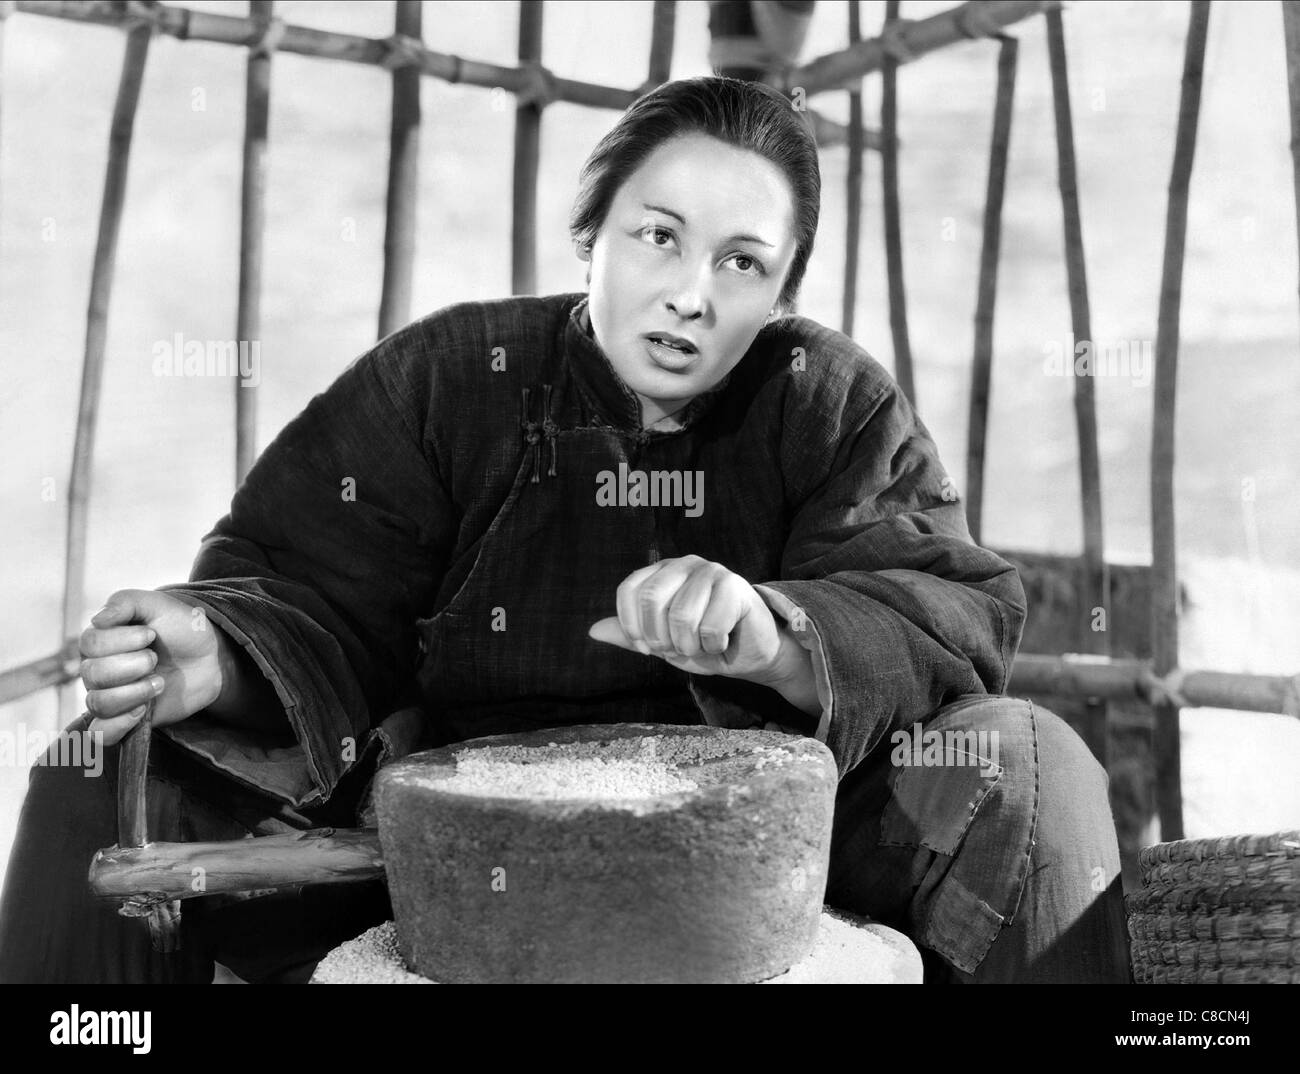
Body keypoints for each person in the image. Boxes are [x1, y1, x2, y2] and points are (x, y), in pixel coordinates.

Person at [0, 76, 1131, 984]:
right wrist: (225, 657)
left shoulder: (823, 398)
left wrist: (777, 635)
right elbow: (309, 591)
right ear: (592, 232)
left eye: (744, 263)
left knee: (1029, 758)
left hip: (779, 845)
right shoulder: (451, 374)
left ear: (779, 290)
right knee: (96, 769)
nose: (692, 292)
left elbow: (942, 599)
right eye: (658, 237)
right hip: (450, 850)